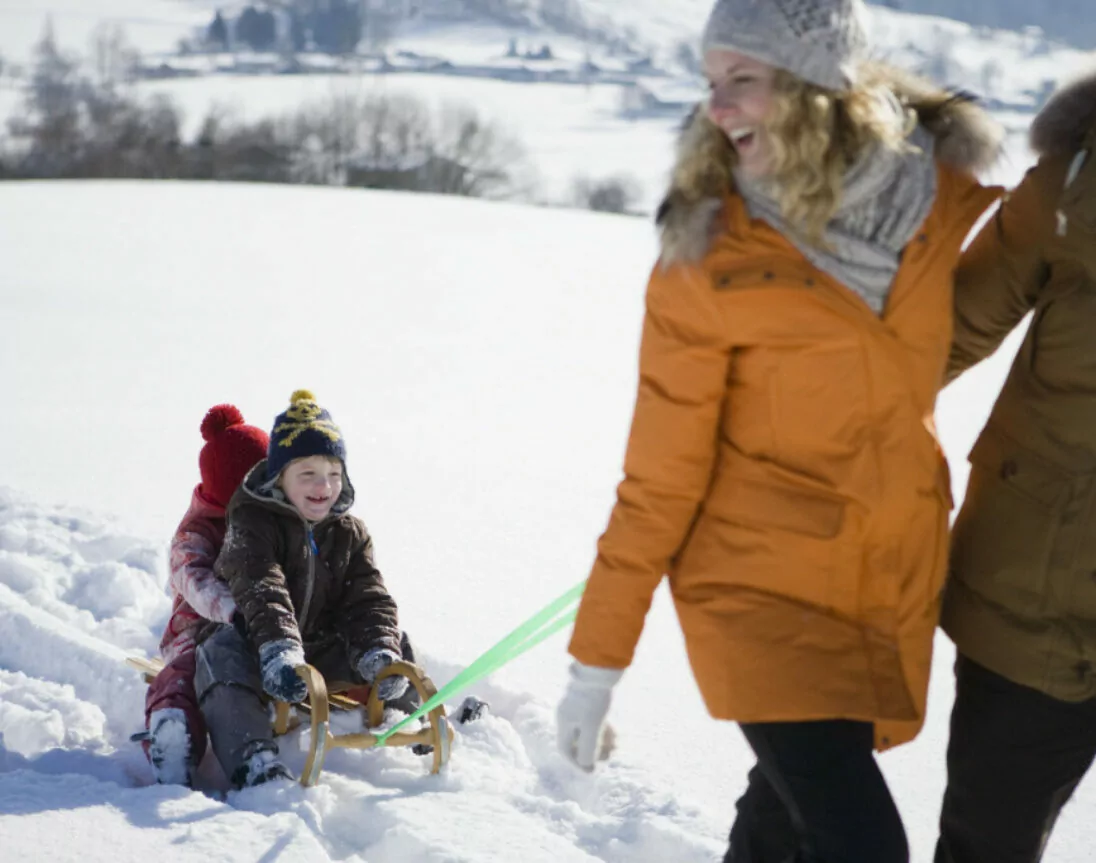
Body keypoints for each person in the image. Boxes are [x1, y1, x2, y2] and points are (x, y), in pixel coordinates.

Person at [554, 0, 1003, 860]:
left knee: (784, 824)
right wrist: (595, 665)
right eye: (711, 81)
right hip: (751, 588)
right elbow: (658, 475)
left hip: (874, 573)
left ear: (819, 87)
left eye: (743, 80)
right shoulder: (710, 256)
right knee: (862, 843)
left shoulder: (931, 202)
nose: (716, 108)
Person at [935, 68, 1096, 863]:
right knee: (986, 845)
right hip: (1036, 603)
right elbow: (943, 332)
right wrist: (804, 428)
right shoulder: (1076, 180)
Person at [193, 390, 417, 788]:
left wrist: (375, 649)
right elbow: (262, 587)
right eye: (308, 474)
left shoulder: (349, 532)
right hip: (259, 646)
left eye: (333, 473)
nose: (324, 486)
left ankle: (410, 721)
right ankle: (253, 759)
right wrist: (279, 650)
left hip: (317, 649)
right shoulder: (251, 524)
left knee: (395, 642)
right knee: (217, 654)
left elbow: (367, 596)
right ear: (279, 477)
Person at [135, 403, 268, 786]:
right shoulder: (196, 532)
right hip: (197, 629)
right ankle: (173, 732)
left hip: (258, 629)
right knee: (185, 673)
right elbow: (194, 579)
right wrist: (232, 610)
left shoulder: (271, 523)